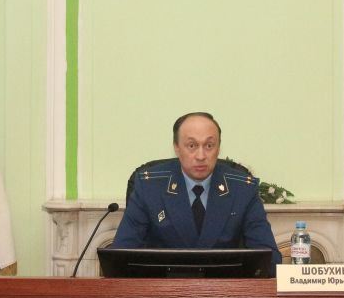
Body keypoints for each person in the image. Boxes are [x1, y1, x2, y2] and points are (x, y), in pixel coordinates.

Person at [111, 111, 281, 273]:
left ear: (219, 148)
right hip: (163, 289)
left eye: (209, 145)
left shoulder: (242, 190)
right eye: (192, 145)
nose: (201, 156)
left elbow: (270, 261)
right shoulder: (149, 187)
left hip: (224, 290)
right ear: (177, 148)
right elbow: (120, 258)